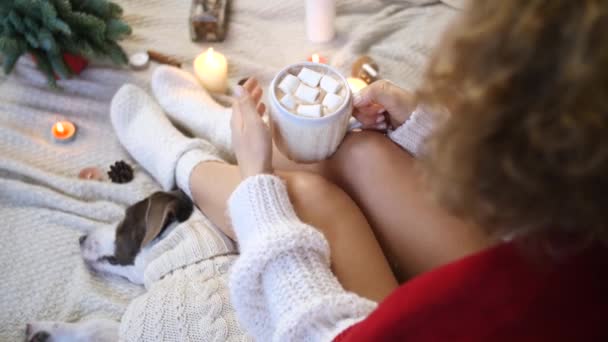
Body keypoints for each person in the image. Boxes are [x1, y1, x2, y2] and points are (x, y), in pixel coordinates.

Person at [110, 0, 608, 340]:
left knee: (301, 197)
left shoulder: (464, 310)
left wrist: (258, 181)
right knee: (359, 152)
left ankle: (182, 160)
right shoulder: (582, 219)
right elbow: (516, 197)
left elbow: (318, 329)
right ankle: (226, 127)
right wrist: (417, 123)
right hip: (531, 263)